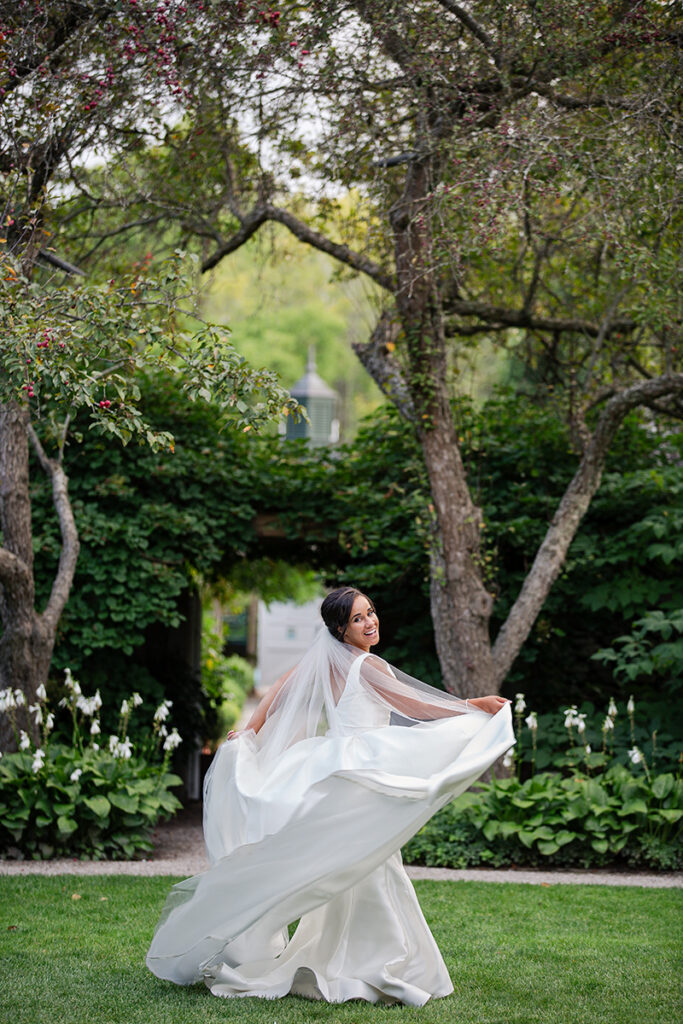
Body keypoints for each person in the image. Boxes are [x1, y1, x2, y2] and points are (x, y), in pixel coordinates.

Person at [146, 586, 514, 1005]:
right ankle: (376, 965)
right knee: (371, 864)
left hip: (340, 766)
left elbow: (280, 689)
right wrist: (472, 706)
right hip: (360, 771)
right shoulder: (368, 666)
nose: (370, 622)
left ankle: (358, 961)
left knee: (363, 864)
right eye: (358, 619)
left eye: (371, 612)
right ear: (341, 629)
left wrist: (252, 727)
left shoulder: (331, 662)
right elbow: (415, 707)